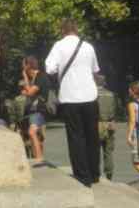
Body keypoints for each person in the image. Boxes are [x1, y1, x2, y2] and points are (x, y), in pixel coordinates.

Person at [45, 19, 101, 188]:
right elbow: (95, 70)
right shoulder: (88, 46)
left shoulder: (58, 46)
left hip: (70, 96)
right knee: (92, 135)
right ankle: (94, 173)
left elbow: (49, 68)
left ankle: (82, 175)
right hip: (90, 95)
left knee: (76, 136)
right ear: (77, 29)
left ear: (62, 30)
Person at [20, 56, 50, 161]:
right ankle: (38, 157)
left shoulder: (40, 76)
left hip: (39, 109)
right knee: (34, 133)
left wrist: (24, 76)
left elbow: (29, 92)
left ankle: (39, 158)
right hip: (32, 110)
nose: (22, 68)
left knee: (32, 132)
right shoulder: (34, 78)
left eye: (23, 65)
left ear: (28, 65)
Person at [95, 74, 117, 180]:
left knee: (95, 150)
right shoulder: (111, 94)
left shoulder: (92, 94)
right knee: (108, 151)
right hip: (109, 124)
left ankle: (96, 173)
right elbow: (114, 109)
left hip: (96, 124)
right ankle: (109, 174)